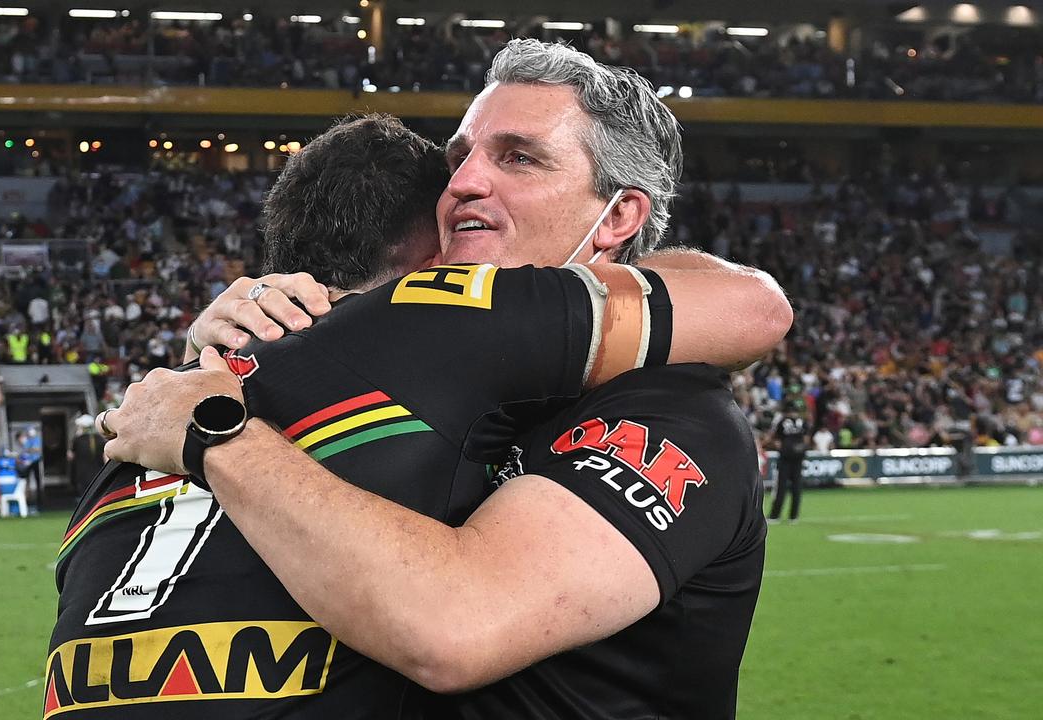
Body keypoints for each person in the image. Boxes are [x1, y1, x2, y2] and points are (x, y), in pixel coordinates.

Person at [105, 40, 783, 718]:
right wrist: (244, 352)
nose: (462, 181)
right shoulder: (411, 367)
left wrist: (217, 431)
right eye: (461, 155)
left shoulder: (672, 413)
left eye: (518, 157)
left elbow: (455, 628)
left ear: (620, 217)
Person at [769, 398, 810, 523]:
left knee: (781, 487)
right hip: (798, 457)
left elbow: (776, 440)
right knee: (796, 487)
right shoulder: (802, 422)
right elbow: (807, 439)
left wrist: (783, 448)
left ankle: (775, 515)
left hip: (785, 457)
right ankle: (794, 516)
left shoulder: (782, 422)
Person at [66, 414, 104, 497]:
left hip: (82, 472)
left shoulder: (78, 440)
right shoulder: (99, 439)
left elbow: (70, 456)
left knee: (83, 494)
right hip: (97, 472)